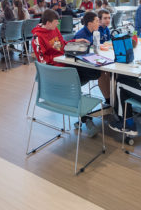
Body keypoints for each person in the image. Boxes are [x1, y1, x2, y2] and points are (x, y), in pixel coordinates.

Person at [30, 9, 103, 137]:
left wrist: (75, 42)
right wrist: (59, 59)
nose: (57, 25)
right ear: (48, 23)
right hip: (57, 71)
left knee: (95, 72)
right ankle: (83, 114)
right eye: (55, 22)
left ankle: (77, 101)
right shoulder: (38, 37)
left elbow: (62, 45)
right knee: (88, 75)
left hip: (66, 64)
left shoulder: (54, 29)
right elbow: (43, 61)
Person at [71, 11, 112, 101]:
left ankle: (112, 98)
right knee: (103, 71)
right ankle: (109, 100)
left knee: (109, 71)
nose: (99, 23)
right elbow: (80, 56)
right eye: (97, 21)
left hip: (88, 61)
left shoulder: (92, 32)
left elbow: (92, 48)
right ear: (90, 24)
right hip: (79, 67)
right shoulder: (81, 35)